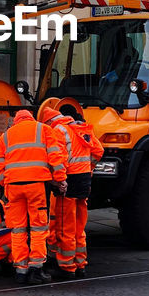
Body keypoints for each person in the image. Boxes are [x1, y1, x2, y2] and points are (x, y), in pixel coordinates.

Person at [0, 109, 67, 285]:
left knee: (17, 229)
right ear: (31, 118)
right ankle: (36, 268)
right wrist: (60, 179)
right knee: (38, 227)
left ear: (16, 121)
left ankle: (20, 270)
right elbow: (55, 156)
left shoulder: (6, 136)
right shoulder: (43, 129)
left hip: (14, 188)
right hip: (36, 185)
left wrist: (5, 182)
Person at [44, 105, 103, 280]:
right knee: (79, 225)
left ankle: (67, 266)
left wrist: (60, 180)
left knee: (65, 226)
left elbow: (59, 159)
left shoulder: (58, 131)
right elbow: (98, 151)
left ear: (48, 121)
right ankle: (80, 264)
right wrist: (89, 169)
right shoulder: (82, 128)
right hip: (84, 180)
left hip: (70, 180)